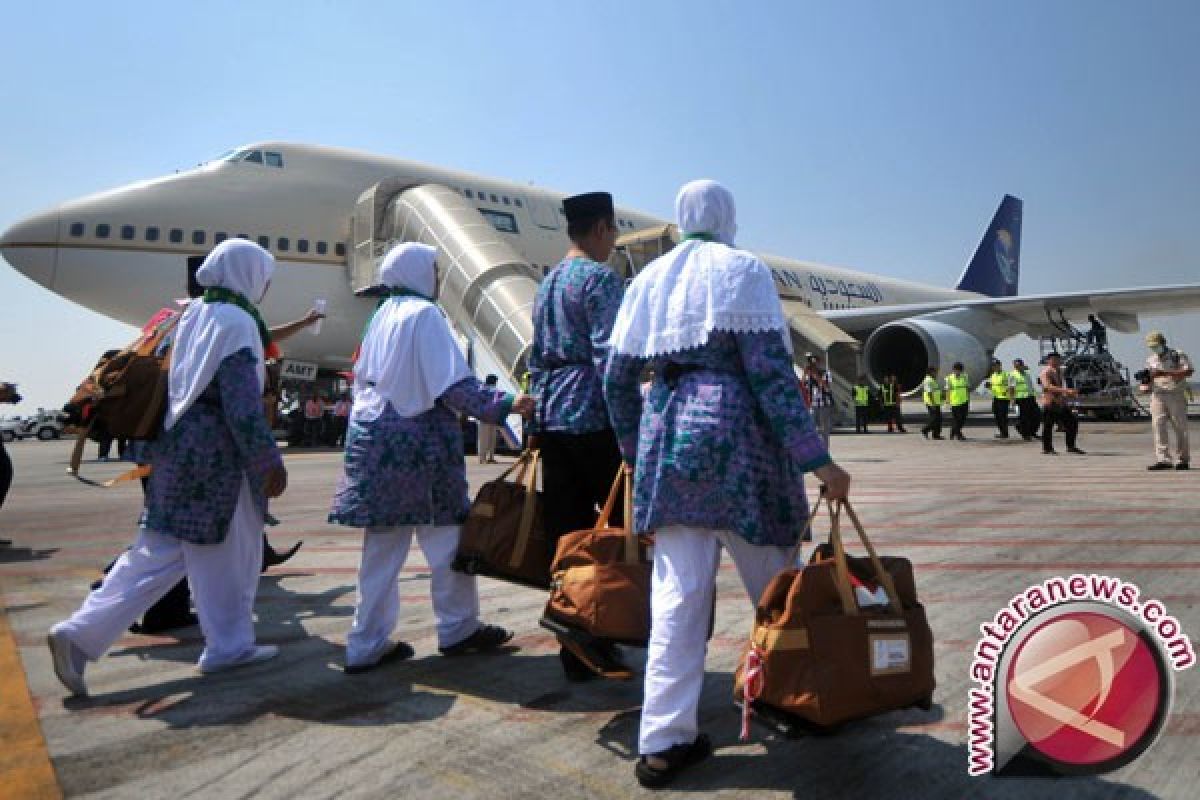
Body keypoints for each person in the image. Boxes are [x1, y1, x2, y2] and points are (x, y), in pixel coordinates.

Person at [603, 180, 852, 789]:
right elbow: (770, 380)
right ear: (728, 217)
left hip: (671, 450)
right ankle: (801, 699)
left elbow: (616, 380)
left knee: (677, 601)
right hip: (741, 449)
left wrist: (636, 454)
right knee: (778, 588)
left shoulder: (648, 281)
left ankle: (663, 742)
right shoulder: (745, 272)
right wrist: (817, 460)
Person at [47, 240, 289, 696]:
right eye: (265, 274)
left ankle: (79, 633)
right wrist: (267, 461)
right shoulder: (237, 322)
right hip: (217, 459)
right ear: (247, 274)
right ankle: (229, 647)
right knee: (231, 553)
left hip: (171, 453)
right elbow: (240, 404)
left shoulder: (190, 316)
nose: (267, 284)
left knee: (156, 552)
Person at [329, 243, 533, 674]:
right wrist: (509, 404)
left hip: (375, 444)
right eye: (435, 269)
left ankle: (365, 644)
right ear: (419, 272)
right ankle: (457, 629)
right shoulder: (424, 316)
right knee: (448, 544)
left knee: (383, 551)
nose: (439, 278)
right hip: (418, 454)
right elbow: (454, 388)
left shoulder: (381, 315)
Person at [527, 190, 630, 681]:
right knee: (616, 531)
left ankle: (572, 640)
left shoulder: (546, 284)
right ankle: (608, 626)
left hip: (553, 417)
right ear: (601, 229)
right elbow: (612, 360)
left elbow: (534, 357)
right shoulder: (599, 279)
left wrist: (534, 424)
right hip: (593, 416)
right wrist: (630, 430)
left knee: (567, 533)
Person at [1141, 331, 1192, 470]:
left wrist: (1164, 373)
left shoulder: (1177, 355)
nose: (1154, 348)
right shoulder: (1151, 359)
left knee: (1180, 427)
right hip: (1158, 395)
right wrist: (1145, 385)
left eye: (1156, 345)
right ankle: (1163, 459)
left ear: (1163, 343)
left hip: (1175, 394)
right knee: (1158, 426)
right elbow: (1149, 377)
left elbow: (1188, 371)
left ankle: (1183, 459)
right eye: (1151, 346)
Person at [1039, 352, 1084, 455]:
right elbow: (1047, 387)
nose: (1056, 361)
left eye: (1058, 359)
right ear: (1048, 360)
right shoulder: (1046, 372)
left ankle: (1071, 446)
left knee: (1072, 422)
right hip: (1050, 402)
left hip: (1060, 402)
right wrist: (1066, 391)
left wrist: (1067, 395)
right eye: (1053, 359)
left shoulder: (1059, 371)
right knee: (1048, 426)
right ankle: (1047, 448)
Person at [804, 354, 835, 448]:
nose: (813, 365)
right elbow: (804, 387)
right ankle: (813, 448)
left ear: (819, 363)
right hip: (814, 404)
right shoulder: (809, 374)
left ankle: (825, 449)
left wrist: (816, 377)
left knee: (824, 428)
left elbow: (827, 388)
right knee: (810, 426)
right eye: (811, 363)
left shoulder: (826, 373)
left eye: (815, 362)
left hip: (824, 404)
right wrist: (805, 375)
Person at [1008, 358, 1040, 441]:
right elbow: (1011, 388)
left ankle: (1032, 431)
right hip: (1020, 398)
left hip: (1030, 397)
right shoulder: (1013, 375)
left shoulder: (1026, 374)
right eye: (1015, 366)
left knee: (1037, 415)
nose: (1017, 367)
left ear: (1022, 365)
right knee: (1024, 418)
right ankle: (1026, 434)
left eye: (1019, 365)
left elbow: (1030, 386)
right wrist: (1012, 399)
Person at [477, 375, 500, 463]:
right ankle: (483, 458)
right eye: (495, 381)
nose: (496, 382)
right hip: (485, 416)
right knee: (486, 438)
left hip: (489, 416)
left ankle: (489, 457)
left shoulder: (493, 390)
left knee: (489, 438)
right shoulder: (482, 389)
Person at [945, 362, 970, 441]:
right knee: (957, 419)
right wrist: (947, 401)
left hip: (964, 401)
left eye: (959, 370)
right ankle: (959, 435)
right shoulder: (949, 378)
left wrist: (968, 399)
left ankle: (953, 432)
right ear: (953, 370)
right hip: (954, 402)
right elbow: (948, 390)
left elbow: (967, 388)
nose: (957, 372)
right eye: (955, 370)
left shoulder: (965, 377)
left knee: (963, 419)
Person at [986, 359, 1011, 439]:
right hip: (996, 398)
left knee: (1003, 416)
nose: (995, 367)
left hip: (1004, 398)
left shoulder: (1006, 374)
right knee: (997, 416)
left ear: (1000, 365)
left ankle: (1005, 433)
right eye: (993, 366)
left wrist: (1007, 391)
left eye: (996, 366)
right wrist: (989, 386)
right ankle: (1002, 432)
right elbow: (993, 387)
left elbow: (1011, 385)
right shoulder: (993, 376)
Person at [920, 366, 944, 440]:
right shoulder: (928, 380)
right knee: (934, 419)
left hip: (936, 402)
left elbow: (935, 391)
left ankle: (936, 435)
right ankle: (925, 430)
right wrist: (933, 403)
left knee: (938, 419)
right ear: (931, 372)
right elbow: (929, 393)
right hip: (931, 403)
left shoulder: (932, 380)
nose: (936, 373)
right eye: (935, 372)